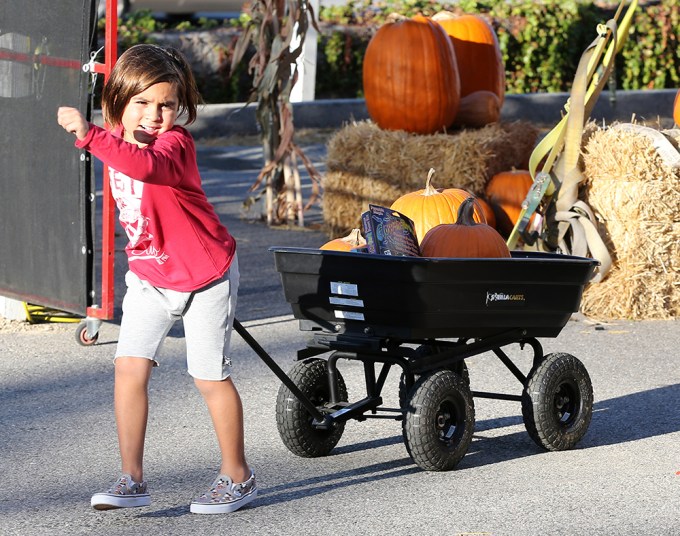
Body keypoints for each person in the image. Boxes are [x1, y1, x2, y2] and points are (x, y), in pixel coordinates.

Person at [57, 44, 256, 515]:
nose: (155, 114)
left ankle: (237, 475)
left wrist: (89, 136)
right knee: (128, 369)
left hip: (206, 275)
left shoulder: (175, 145)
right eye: (142, 102)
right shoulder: (114, 139)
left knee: (208, 377)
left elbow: (149, 167)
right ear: (118, 101)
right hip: (149, 275)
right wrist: (98, 135)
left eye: (166, 104)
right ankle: (132, 479)